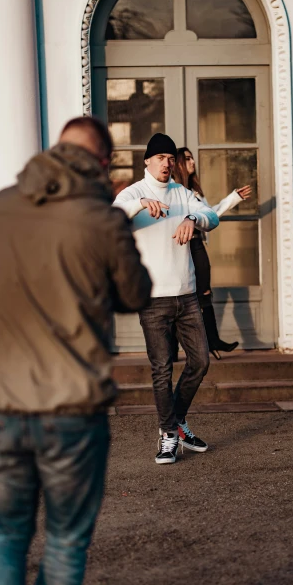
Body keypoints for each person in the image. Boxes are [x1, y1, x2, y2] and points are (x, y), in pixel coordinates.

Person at [0, 116, 152, 585]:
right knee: (66, 543)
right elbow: (135, 295)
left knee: (3, 536)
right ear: (101, 163)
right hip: (70, 408)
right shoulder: (101, 219)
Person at [113, 132, 219, 464]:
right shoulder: (132, 193)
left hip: (186, 295)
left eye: (171, 159)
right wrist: (140, 205)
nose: (166, 164)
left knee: (200, 361)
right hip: (153, 298)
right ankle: (168, 434)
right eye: (160, 158)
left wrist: (192, 218)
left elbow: (212, 216)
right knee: (161, 368)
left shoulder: (183, 194)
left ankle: (177, 421)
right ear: (147, 161)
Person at [174, 147, 252, 359]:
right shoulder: (177, 191)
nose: (193, 162)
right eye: (187, 159)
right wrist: (232, 199)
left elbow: (210, 213)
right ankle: (174, 348)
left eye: (192, 158)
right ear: (179, 163)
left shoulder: (195, 191)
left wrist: (233, 198)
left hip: (198, 245)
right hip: (186, 246)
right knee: (179, 296)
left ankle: (212, 340)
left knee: (204, 293)